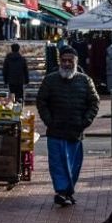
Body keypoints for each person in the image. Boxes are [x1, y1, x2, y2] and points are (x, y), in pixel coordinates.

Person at [36, 46, 100, 206]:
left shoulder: (85, 81)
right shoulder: (50, 80)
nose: (66, 64)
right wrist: (48, 120)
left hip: (75, 131)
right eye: (63, 60)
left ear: (75, 62)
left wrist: (85, 121)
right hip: (55, 131)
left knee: (73, 166)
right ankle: (61, 192)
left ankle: (67, 192)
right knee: (58, 165)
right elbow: (41, 101)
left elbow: (94, 102)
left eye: (69, 61)